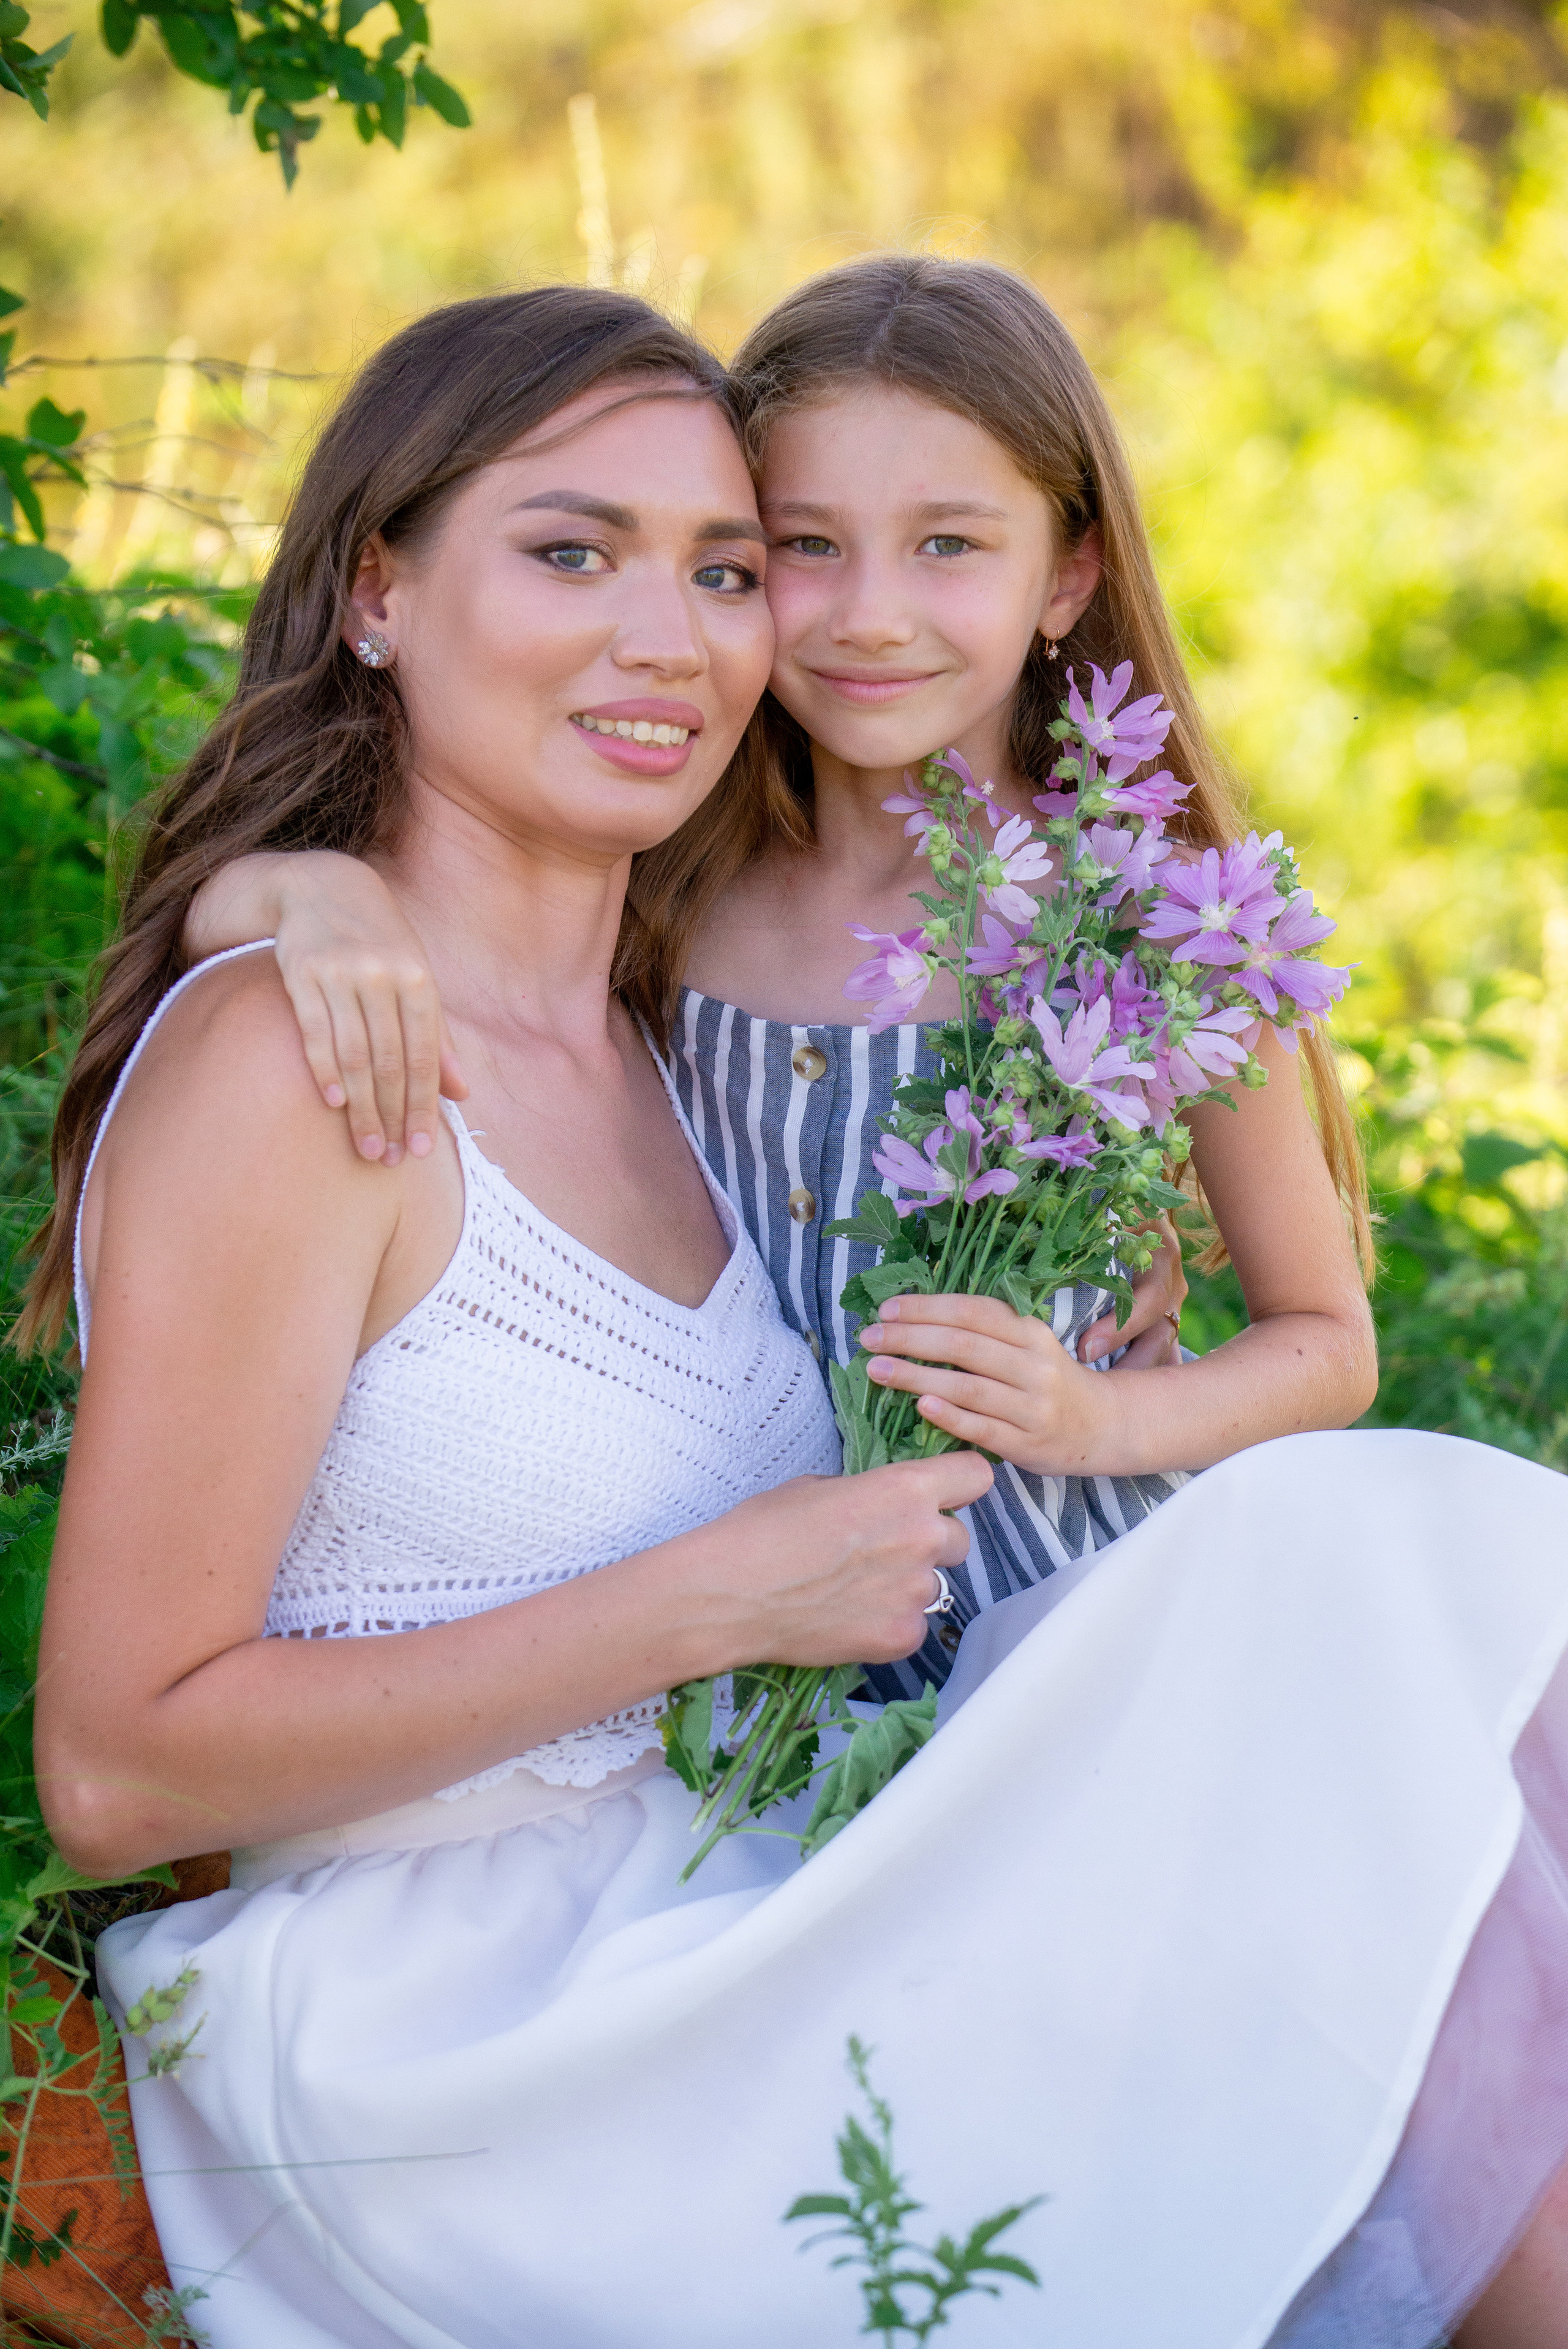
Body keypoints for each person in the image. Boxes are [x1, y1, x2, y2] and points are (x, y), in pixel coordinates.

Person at [21, 276, 1568, 2349]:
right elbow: (114, 1772)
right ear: (372, 590)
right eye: (576, 550)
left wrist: (281, 876)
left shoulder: (634, 1024)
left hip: (759, 1887)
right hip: (483, 2041)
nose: (686, 632)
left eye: (719, 566)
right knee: (1370, 1597)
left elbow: (1301, 1320)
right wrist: (719, 1598)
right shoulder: (338, 1054)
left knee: (1387, 1711)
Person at [183, 257, 1372, 1700]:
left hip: (1080, 1641)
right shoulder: (668, 879)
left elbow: (1324, 1344)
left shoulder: (1143, 930)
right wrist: (295, 888)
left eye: (948, 545)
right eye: (803, 547)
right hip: (759, 1670)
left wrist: (1088, 1420)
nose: (870, 614)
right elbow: (442, 943)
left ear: (1065, 575)